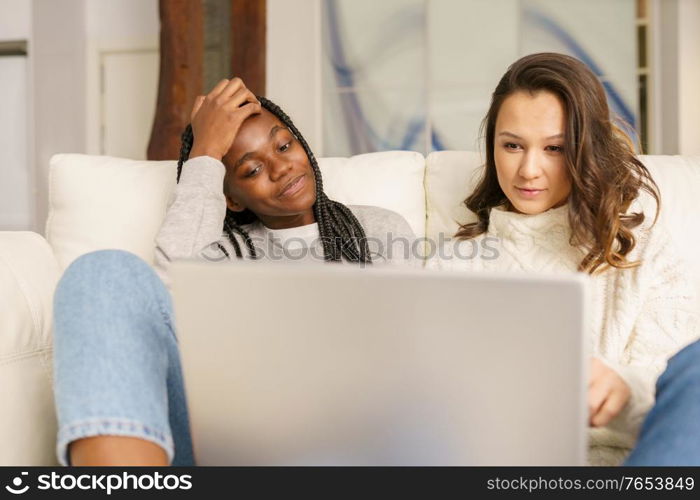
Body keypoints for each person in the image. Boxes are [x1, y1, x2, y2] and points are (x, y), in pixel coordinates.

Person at [53, 78, 415, 466]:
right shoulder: (221, 253)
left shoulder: (377, 231)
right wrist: (206, 152)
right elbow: (170, 294)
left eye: (284, 145)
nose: (280, 168)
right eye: (252, 169)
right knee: (102, 272)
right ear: (231, 199)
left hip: (342, 437)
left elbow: (414, 354)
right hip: (231, 443)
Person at [428, 52, 699, 465]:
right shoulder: (453, 264)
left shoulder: (645, 250)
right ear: (492, 146)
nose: (529, 170)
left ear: (587, 151)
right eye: (512, 146)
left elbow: (684, 403)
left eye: (555, 148)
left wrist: (621, 391)